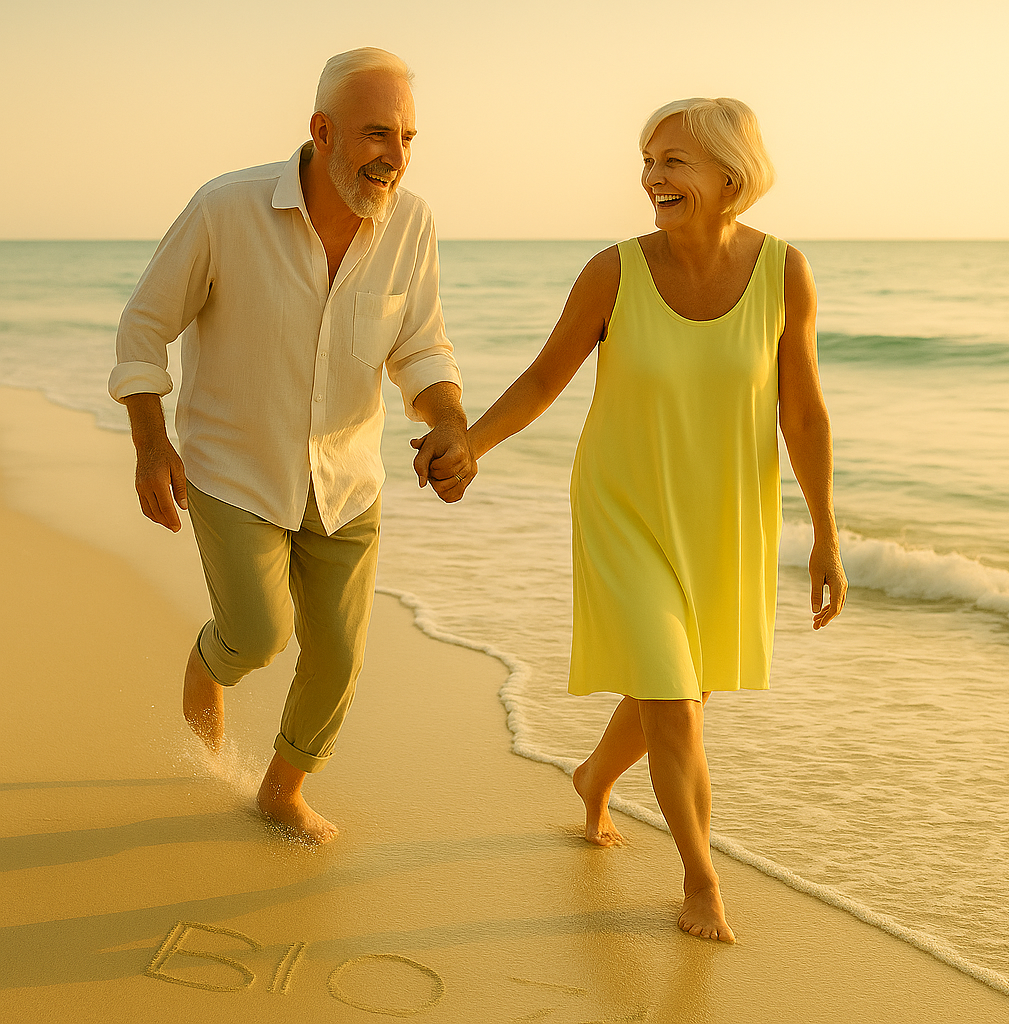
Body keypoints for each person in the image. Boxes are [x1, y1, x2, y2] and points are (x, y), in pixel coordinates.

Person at [429, 97, 847, 940]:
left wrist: (826, 534)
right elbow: (545, 379)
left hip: (724, 514)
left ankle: (592, 779)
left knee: (678, 689)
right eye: (649, 160)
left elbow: (801, 415)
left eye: (673, 160)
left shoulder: (785, 273)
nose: (652, 176)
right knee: (674, 695)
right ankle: (700, 882)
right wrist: (470, 444)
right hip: (624, 506)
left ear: (732, 174)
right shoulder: (614, 271)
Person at [109, 48, 475, 845]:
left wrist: (447, 419)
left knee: (339, 655)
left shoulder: (412, 224)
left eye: (409, 137)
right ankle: (211, 665)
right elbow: (145, 326)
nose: (396, 157)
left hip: (347, 475)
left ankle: (281, 791)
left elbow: (420, 344)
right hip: (232, 467)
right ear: (321, 131)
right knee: (257, 634)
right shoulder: (225, 209)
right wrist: (148, 444)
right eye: (378, 135)